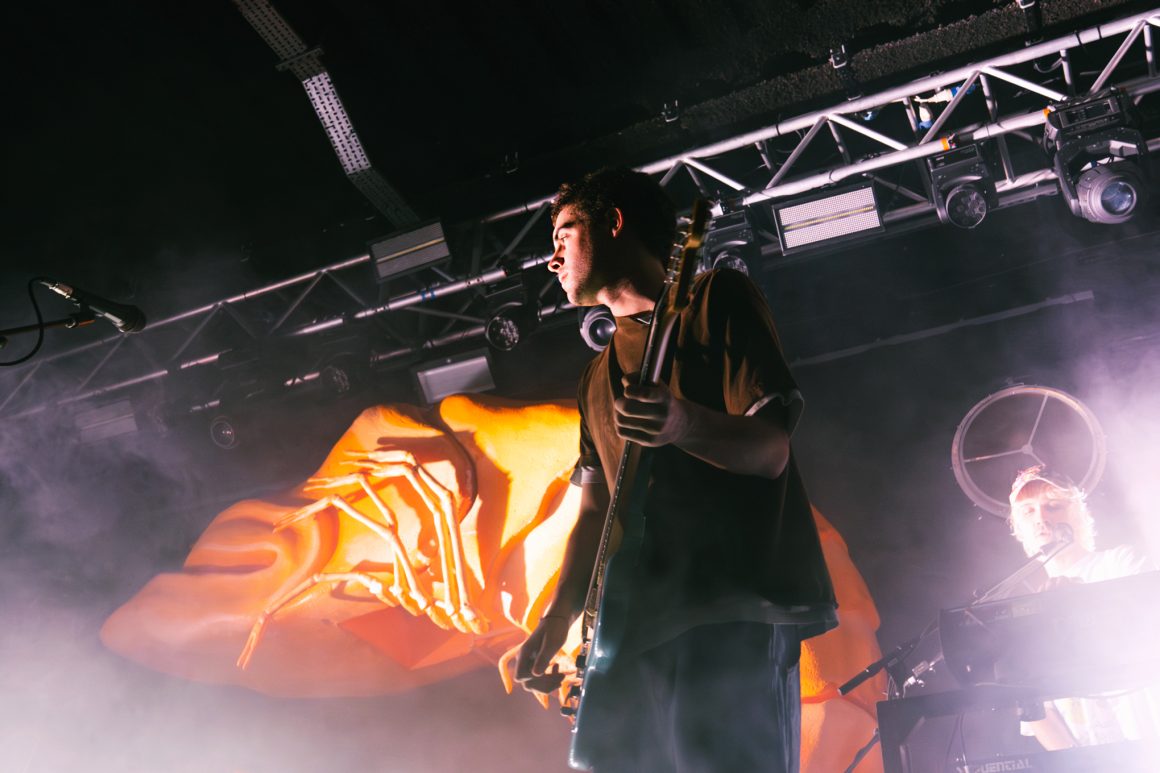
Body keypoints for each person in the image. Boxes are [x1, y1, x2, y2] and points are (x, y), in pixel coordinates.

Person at [513, 167, 837, 772]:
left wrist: (683, 424)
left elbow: (771, 451)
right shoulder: (594, 378)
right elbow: (595, 512)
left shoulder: (716, 299)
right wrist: (558, 617)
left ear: (613, 223)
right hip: (631, 628)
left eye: (563, 235)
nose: (552, 260)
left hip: (730, 609)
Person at [1007, 465, 1159, 751]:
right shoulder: (1029, 607)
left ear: (1078, 516)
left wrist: (1079, 604)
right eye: (1028, 511)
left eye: (1053, 506)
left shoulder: (1122, 562)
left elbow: (1148, 630)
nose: (1041, 518)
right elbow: (1039, 713)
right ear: (1019, 528)